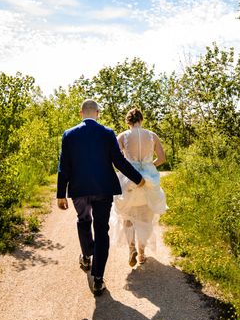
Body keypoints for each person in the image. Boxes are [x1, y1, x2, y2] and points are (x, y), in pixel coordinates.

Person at [57, 99, 145, 296]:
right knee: (101, 230)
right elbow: (119, 161)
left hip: (79, 189)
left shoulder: (69, 135)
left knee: (83, 220)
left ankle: (87, 255)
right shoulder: (107, 133)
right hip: (103, 189)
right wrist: (138, 179)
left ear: (81, 113)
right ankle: (98, 279)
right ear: (97, 113)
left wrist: (61, 194)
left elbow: (64, 165)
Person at [111, 108, 167, 266]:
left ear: (128, 121)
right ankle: (142, 253)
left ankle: (131, 249)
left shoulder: (122, 136)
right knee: (146, 217)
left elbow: (114, 158)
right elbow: (162, 158)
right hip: (148, 181)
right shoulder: (152, 135)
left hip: (130, 180)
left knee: (127, 216)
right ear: (141, 120)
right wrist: (149, 166)